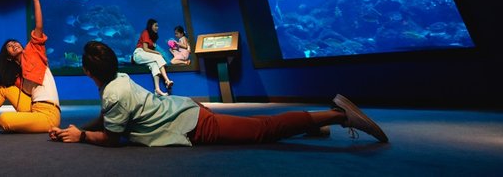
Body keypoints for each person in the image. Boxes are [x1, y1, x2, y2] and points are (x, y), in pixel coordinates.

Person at [48, 40, 388, 147]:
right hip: (185, 111)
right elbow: (107, 118)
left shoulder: (112, 94)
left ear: (87, 72)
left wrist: (80, 137)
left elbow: (111, 138)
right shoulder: (118, 81)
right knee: (260, 129)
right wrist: (79, 129)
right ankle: (314, 127)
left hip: (192, 125)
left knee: (260, 130)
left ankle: (339, 114)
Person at [0, 0, 60, 133]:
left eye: (15, 43)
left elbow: (39, 26)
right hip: (33, 108)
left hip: (48, 114)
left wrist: (36, 0)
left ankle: (31, 122)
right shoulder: (19, 76)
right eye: (9, 46)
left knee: (4, 119)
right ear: (9, 57)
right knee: (3, 89)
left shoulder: (33, 51)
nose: (14, 45)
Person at [132, 18, 173, 95]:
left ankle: (157, 90)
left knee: (154, 65)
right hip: (139, 54)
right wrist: (157, 52)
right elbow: (145, 48)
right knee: (158, 56)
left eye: (158, 26)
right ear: (151, 26)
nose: (157, 27)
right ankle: (167, 80)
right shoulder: (145, 32)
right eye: (156, 26)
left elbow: (148, 51)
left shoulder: (153, 37)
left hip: (145, 56)